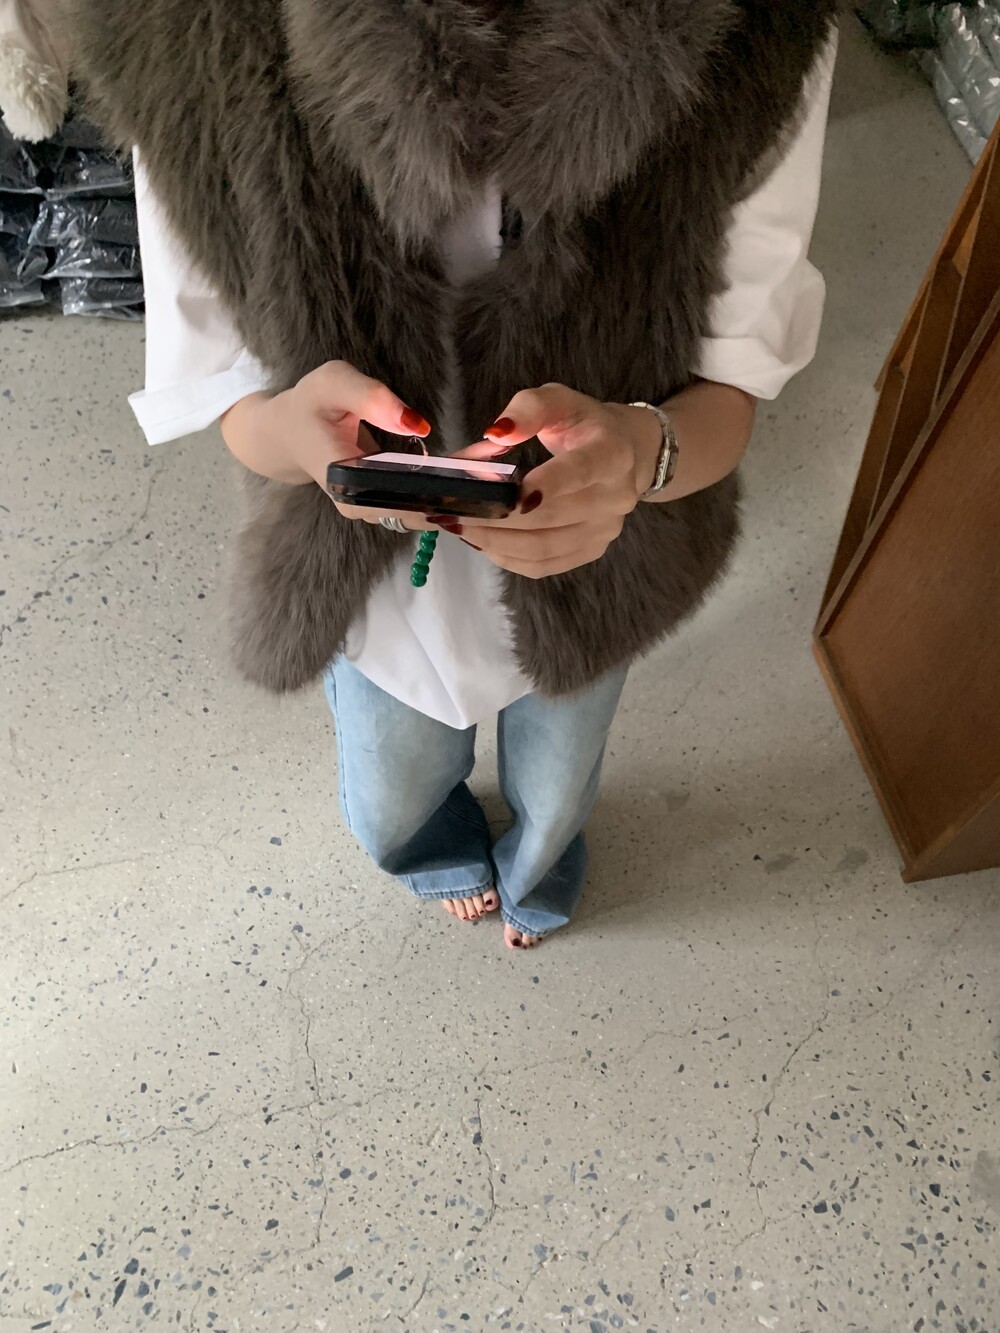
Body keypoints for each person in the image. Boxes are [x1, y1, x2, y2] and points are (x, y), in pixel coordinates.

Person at [72, 0, 838, 951]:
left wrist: (641, 457)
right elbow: (226, 389)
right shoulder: (172, 27)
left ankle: (541, 860)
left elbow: (733, 381)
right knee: (392, 790)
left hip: (605, 548)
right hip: (364, 566)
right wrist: (296, 438)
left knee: (561, 776)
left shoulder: (763, 25)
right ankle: (431, 849)